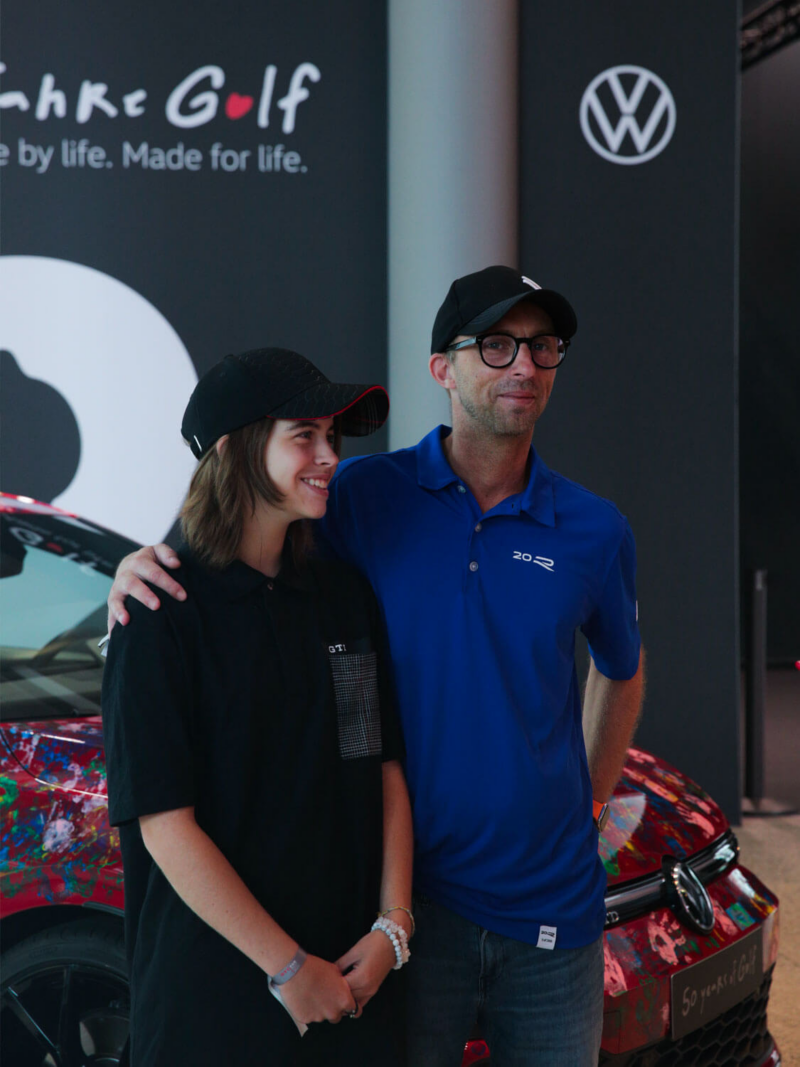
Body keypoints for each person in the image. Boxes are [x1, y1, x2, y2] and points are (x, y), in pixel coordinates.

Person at [108, 267, 645, 1066]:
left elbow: (384, 746)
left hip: (520, 914)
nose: (523, 365)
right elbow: (230, 515)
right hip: (368, 931)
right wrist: (139, 564)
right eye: (496, 345)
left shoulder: (589, 532)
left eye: (541, 347)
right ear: (443, 368)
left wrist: (587, 805)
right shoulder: (362, 498)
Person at [102, 347, 414, 1066]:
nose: (329, 454)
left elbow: (382, 765)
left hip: (354, 990)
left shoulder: (342, 596)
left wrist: (392, 930)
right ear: (235, 449)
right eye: (303, 434)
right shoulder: (158, 611)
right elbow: (165, 825)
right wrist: (288, 969)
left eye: (331, 436)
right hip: (214, 1007)